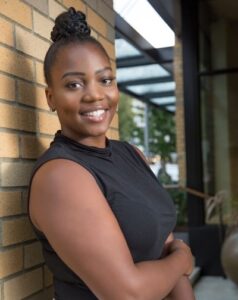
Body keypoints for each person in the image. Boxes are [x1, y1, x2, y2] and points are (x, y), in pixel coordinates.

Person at [28, 7, 195, 300]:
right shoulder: (61, 177)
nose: (95, 94)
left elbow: (163, 243)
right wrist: (182, 259)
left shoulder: (131, 154)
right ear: (50, 97)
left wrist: (176, 256)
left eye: (105, 80)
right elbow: (127, 294)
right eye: (74, 84)